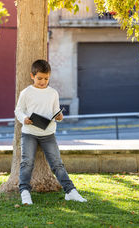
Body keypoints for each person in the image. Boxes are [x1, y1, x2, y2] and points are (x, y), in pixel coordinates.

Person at [15, 59, 87, 205]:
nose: (43, 81)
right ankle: (25, 192)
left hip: (48, 134)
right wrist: (24, 118)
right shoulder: (26, 92)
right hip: (29, 133)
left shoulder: (53, 93)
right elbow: (18, 110)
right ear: (32, 76)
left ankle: (70, 191)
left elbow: (56, 111)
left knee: (57, 164)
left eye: (46, 78)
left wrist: (60, 116)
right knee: (27, 162)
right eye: (39, 78)